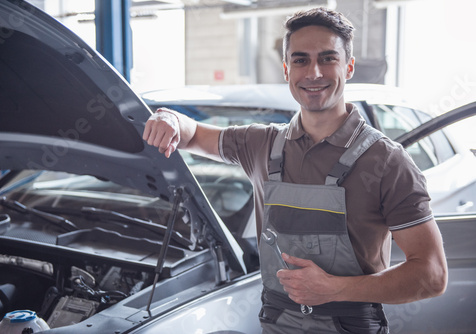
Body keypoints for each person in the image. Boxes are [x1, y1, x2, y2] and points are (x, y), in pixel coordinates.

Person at [142, 7, 447, 334]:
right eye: (301, 60)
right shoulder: (259, 144)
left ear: (349, 66)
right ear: (286, 69)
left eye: (328, 58)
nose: (313, 72)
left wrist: (336, 288)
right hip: (276, 322)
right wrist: (170, 118)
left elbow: (431, 275)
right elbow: (193, 134)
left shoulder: (387, 161)